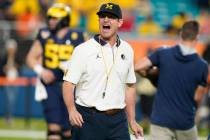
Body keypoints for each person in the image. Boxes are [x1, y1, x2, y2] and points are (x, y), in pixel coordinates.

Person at [62, 2, 143, 140]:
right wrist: (71, 111)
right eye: (102, 16)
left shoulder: (127, 50)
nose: (106, 19)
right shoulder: (83, 50)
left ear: (120, 22)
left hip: (118, 120)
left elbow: (130, 87)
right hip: (88, 118)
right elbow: (68, 84)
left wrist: (132, 120)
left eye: (111, 17)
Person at [135, 20, 208, 140]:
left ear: (180, 35)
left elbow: (138, 67)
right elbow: (197, 98)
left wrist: (153, 77)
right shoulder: (202, 65)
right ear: (197, 38)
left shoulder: (163, 53)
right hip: (185, 121)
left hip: (161, 120)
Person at [26, 3, 87, 140]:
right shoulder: (44, 34)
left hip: (72, 87)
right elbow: (30, 58)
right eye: (50, 18)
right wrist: (41, 71)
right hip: (51, 86)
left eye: (55, 18)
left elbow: (89, 60)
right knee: (53, 128)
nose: (51, 21)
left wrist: (72, 66)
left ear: (64, 19)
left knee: (69, 130)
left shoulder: (78, 36)